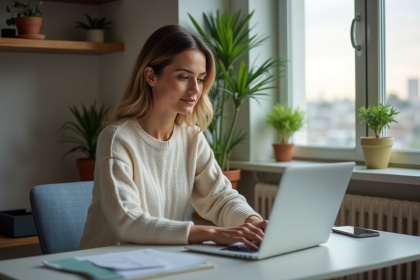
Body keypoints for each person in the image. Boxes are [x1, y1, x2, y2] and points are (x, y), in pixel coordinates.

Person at [79, 25, 267, 251]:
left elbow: (220, 198)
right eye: (184, 77)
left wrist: (254, 224)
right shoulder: (117, 138)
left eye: (200, 79)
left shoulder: (192, 138)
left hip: (161, 260)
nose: (195, 90)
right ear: (151, 76)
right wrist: (213, 233)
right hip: (108, 264)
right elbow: (127, 222)